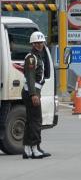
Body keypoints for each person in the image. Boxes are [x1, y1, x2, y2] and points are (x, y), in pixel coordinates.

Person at [22, 31, 50, 159]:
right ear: (32, 44)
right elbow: (31, 77)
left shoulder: (38, 56)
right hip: (31, 92)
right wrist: (34, 95)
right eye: (37, 43)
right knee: (36, 121)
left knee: (30, 121)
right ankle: (35, 148)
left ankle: (27, 149)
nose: (40, 44)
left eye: (41, 42)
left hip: (32, 91)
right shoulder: (32, 58)